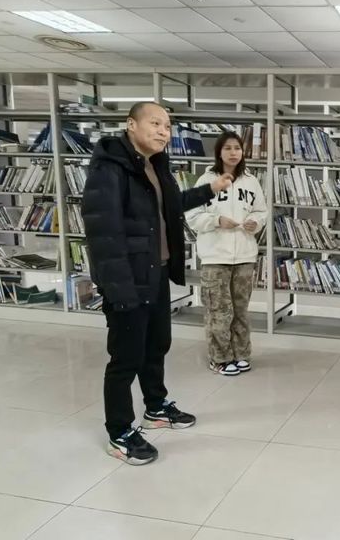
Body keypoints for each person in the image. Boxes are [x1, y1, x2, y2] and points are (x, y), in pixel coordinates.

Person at [82, 101, 233, 466]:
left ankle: (155, 407)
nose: (164, 131)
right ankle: (119, 432)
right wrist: (119, 290)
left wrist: (210, 188)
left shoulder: (154, 165)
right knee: (125, 358)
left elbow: (172, 205)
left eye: (167, 126)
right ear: (131, 125)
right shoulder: (109, 168)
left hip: (155, 273)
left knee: (156, 346)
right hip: (127, 280)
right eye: (155, 123)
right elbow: (103, 233)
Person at [187, 131, 267, 376]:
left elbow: (261, 211)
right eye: (228, 148)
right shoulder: (206, 180)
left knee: (240, 310)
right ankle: (220, 358)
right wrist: (216, 220)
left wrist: (256, 222)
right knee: (219, 311)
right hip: (215, 257)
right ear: (219, 152)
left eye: (237, 148)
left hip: (244, 256)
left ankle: (241, 354)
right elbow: (193, 216)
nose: (233, 153)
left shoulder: (251, 181)